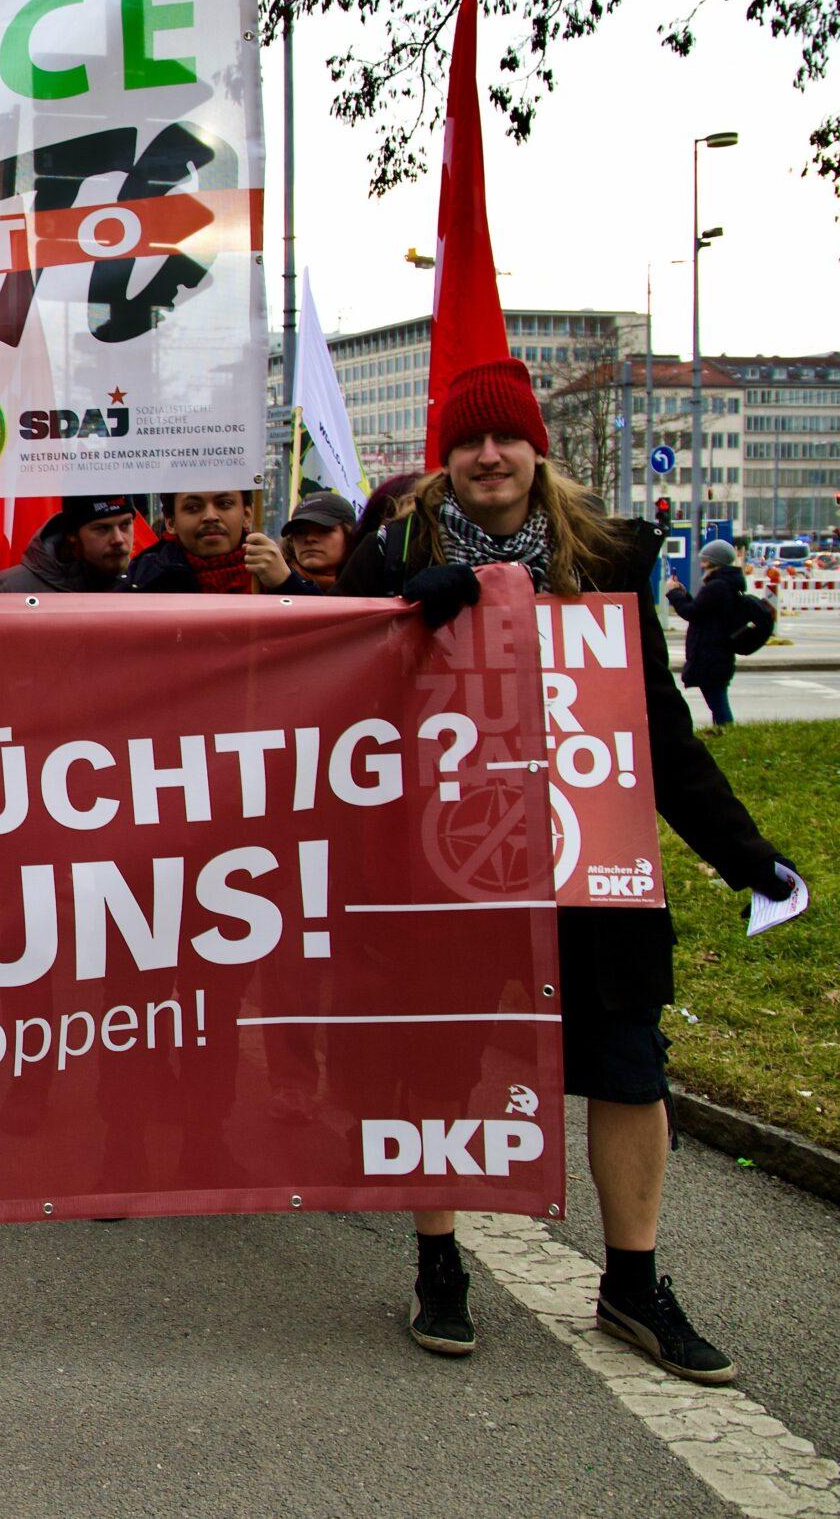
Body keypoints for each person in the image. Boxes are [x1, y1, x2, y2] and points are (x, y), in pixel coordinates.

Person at [336, 357, 799, 1384]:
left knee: (630, 1066)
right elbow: (335, 715)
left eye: (503, 438)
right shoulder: (392, 554)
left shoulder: (612, 559)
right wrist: (403, 621)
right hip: (447, 866)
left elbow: (655, 731)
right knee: (443, 1063)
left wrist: (742, 851)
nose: (486, 455)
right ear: (443, 457)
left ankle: (632, 1283)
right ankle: (439, 1262)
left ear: (535, 450)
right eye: (466, 441)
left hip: (595, 856)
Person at [123, 493, 314, 594]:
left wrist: (287, 584)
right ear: (171, 522)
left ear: (247, 514)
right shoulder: (142, 582)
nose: (210, 517)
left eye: (224, 504)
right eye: (193, 507)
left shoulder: (273, 573)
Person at [0, 495, 140, 594]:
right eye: (102, 529)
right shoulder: (10, 591)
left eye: (125, 524)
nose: (118, 539)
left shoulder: (146, 582)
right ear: (72, 535)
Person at [665, 539, 746, 727]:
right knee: (717, 699)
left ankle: (726, 732)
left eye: (705, 560)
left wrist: (673, 593)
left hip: (711, 653)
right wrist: (684, 595)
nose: (701, 564)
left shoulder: (717, 586)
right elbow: (703, 611)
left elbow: (692, 613)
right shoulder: (726, 583)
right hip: (718, 652)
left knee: (717, 702)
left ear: (713, 561)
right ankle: (723, 731)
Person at [278, 491, 358, 593]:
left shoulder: (373, 584)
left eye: (324, 530)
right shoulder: (267, 583)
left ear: (349, 536)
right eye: (301, 532)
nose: (309, 538)